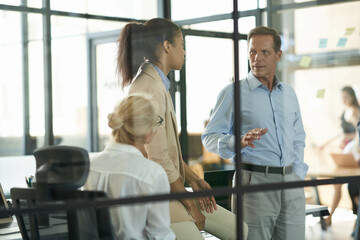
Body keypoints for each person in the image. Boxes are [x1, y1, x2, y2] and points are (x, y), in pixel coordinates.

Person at [116, 18, 247, 240]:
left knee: (239, 230)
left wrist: (193, 180)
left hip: (170, 188)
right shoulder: (149, 88)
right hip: (156, 196)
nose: (184, 52)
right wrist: (191, 206)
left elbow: (166, 152)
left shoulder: (158, 84)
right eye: (182, 44)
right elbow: (158, 158)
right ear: (167, 46)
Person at [202, 26, 308, 240]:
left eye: (265, 52)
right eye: (252, 52)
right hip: (254, 183)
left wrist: (297, 172)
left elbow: (298, 138)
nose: (257, 58)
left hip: (291, 183)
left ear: (278, 55)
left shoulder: (289, 93)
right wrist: (237, 142)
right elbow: (209, 137)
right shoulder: (233, 93)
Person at [83, 94, 175, 240]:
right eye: (156, 124)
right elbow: (160, 236)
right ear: (147, 132)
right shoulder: (152, 173)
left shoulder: (89, 167)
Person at [324, 86, 360, 226]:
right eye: (342, 97)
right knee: (340, 184)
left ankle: (330, 217)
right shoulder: (347, 111)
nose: (343, 100)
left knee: (349, 187)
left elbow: (357, 133)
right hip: (348, 150)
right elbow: (343, 133)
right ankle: (330, 217)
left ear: (352, 97)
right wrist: (328, 142)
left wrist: (353, 146)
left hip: (353, 152)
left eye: (346, 97)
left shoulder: (354, 111)